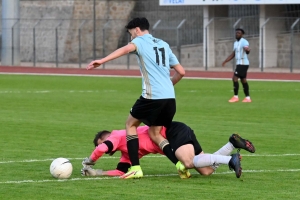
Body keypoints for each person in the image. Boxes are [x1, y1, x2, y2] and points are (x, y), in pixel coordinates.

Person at [84, 17, 186, 179]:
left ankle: (136, 168)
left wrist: (101, 61)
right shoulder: (164, 44)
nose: (131, 37)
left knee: (130, 124)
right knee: (156, 133)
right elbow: (181, 72)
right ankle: (179, 164)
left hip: (152, 96)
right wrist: (168, 86)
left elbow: (124, 50)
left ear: (137, 30)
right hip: (170, 99)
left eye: (131, 33)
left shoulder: (139, 41)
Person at [81, 121, 256, 179]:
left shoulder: (117, 135)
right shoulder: (127, 151)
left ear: (106, 136)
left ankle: (230, 160)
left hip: (173, 133)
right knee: (206, 171)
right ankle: (232, 144)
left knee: (187, 162)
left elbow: (103, 148)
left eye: (98, 142)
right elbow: (121, 172)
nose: (98, 146)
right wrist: (98, 172)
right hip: (177, 136)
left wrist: (91, 160)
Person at [222, 28, 252, 103]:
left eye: (238, 33)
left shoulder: (244, 41)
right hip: (239, 63)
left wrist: (247, 50)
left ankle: (236, 97)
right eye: (236, 33)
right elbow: (234, 54)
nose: (237, 34)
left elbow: (246, 49)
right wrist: (226, 60)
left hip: (243, 63)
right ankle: (248, 98)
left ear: (242, 34)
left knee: (234, 78)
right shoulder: (235, 43)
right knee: (243, 80)